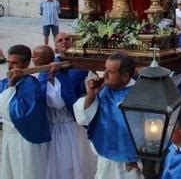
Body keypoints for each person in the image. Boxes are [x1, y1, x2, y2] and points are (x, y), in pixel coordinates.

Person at [74, 52, 142, 179]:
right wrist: (91, 96)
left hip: (130, 165)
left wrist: (144, 164)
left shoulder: (140, 94)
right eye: (105, 69)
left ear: (125, 76)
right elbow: (82, 119)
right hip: (105, 158)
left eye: (110, 71)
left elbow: (153, 132)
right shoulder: (102, 89)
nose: (104, 75)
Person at [32, 45, 96, 179]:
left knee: (65, 165)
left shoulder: (56, 75)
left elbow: (57, 102)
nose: (33, 59)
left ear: (42, 59)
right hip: (52, 128)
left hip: (63, 129)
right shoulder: (45, 73)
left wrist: (50, 78)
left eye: (35, 56)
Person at [0, 45, 51, 179]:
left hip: (25, 139)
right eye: (8, 62)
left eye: (14, 63)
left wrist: (11, 86)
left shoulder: (31, 84)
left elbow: (17, 113)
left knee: (27, 173)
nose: (10, 67)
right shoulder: (4, 82)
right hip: (8, 137)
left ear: (26, 63)